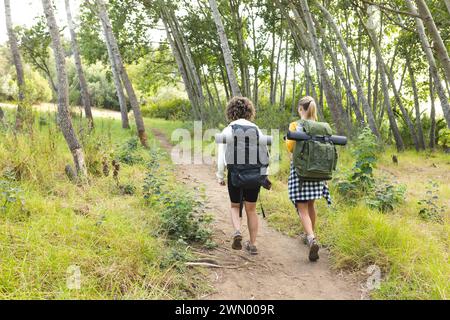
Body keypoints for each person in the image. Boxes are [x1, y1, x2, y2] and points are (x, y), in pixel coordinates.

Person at [216, 97, 267, 255]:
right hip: (254, 174)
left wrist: (220, 175)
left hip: (235, 174)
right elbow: (266, 155)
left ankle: (237, 231)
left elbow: (221, 156)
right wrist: (264, 175)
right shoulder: (257, 129)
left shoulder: (228, 130)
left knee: (235, 206)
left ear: (231, 112)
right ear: (249, 112)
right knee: (251, 209)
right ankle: (253, 244)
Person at [285, 96, 332, 262]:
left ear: (300, 109)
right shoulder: (323, 127)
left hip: (301, 171)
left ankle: (311, 238)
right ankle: (311, 235)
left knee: (302, 208)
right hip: (318, 173)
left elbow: (290, 147)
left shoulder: (295, 125)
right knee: (311, 205)